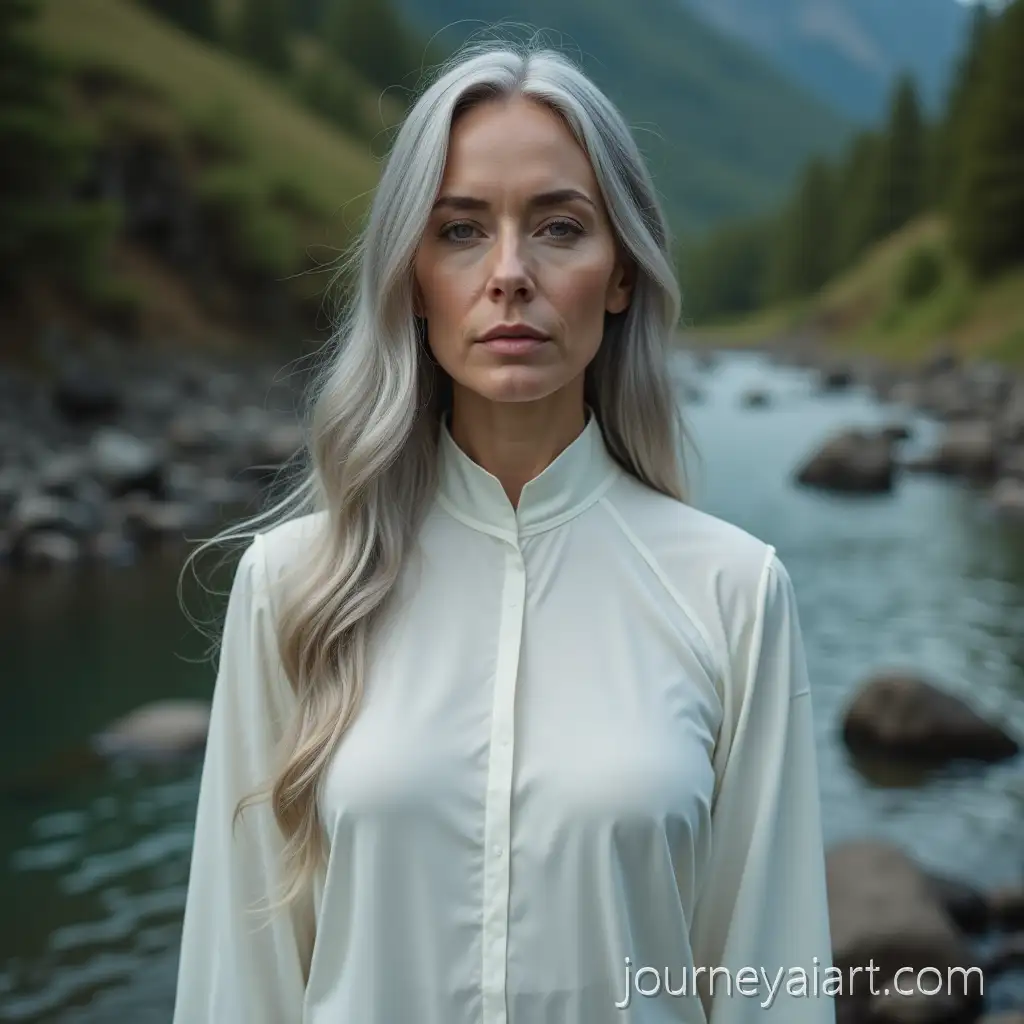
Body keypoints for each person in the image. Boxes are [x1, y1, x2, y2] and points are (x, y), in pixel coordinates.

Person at [172, 38, 835, 1024]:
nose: (510, 274)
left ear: (620, 275)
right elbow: (240, 982)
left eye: (561, 228)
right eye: (461, 231)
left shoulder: (732, 591)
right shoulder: (293, 585)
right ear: (410, 274)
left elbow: (769, 980)